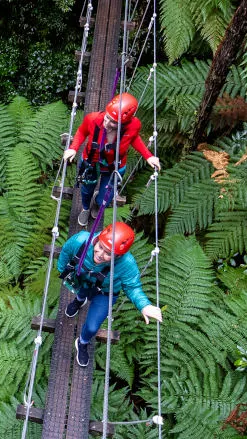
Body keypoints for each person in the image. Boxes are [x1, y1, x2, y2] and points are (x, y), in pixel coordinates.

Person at [56, 221, 162, 367]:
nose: (100, 255)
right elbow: (66, 251)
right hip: (83, 278)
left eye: (109, 254)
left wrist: (144, 306)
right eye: (100, 247)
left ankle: (82, 342)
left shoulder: (127, 264)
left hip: (105, 292)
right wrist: (62, 269)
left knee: (93, 327)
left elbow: (132, 287)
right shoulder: (81, 241)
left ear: (118, 256)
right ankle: (79, 301)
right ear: (98, 240)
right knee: (82, 292)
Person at [63, 93, 161, 226]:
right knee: (86, 190)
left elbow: (134, 138)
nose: (107, 124)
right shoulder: (93, 119)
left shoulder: (133, 125)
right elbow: (81, 132)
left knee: (106, 197)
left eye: (114, 122)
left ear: (125, 122)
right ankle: (86, 208)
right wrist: (73, 148)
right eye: (107, 118)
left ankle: (98, 203)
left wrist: (148, 156)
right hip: (91, 162)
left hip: (114, 166)